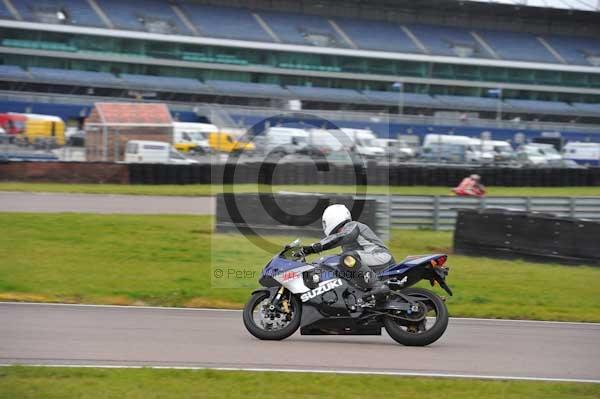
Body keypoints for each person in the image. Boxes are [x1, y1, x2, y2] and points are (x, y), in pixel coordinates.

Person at [302, 204, 394, 295]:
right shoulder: (345, 242)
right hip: (369, 262)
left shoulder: (353, 226)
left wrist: (313, 248)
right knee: (337, 261)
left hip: (380, 256)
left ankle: (378, 286)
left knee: (346, 257)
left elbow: (341, 237)